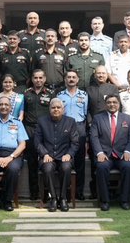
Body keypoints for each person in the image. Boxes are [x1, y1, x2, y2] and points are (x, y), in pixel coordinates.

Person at [89, 94, 130, 211]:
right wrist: (99, 153)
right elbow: (93, 137)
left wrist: (128, 151)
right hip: (105, 155)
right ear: (105, 105)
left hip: (122, 155)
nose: (112, 104)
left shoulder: (128, 119)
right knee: (101, 168)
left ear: (119, 104)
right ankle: (104, 201)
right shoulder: (98, 118)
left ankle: (124, 200)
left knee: (128, 167)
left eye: (114, 102)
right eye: (109, 102)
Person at [35, 97, 80, 212]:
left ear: (63, 109)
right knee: (48, 167)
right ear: (49, 109)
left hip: (64, 155)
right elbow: (37, 142)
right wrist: (44, 154)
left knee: (66, 167)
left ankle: (63, 198)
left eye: (58, 107)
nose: (56, 109)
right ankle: (53, 198)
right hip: (48, 156)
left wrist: (69, 154)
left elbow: (75, 142)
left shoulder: (70, 122)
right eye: (53, 107)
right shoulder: (42, 121)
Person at [56, 69, 90, 200]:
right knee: (64, 159)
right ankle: (66, 191)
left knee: (80, 161)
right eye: (68, 77)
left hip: (79, 127)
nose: (71, 79)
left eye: (73, 77)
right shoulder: (59, 96)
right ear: (65, 80)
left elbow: (86, 113)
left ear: (77, 80)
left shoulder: (84, 95)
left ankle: (79, 192)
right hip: (64, 128)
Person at [23, 70, 53, 199]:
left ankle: (46, 192)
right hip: (29, 129)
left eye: (41, 77)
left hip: (45, 131)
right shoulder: (25, 94)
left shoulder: (51, 94)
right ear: (32, 79)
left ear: (45, 79)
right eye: (35, 78)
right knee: (31, 162)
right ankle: (34, 192)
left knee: (45, 160)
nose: (38, 80)